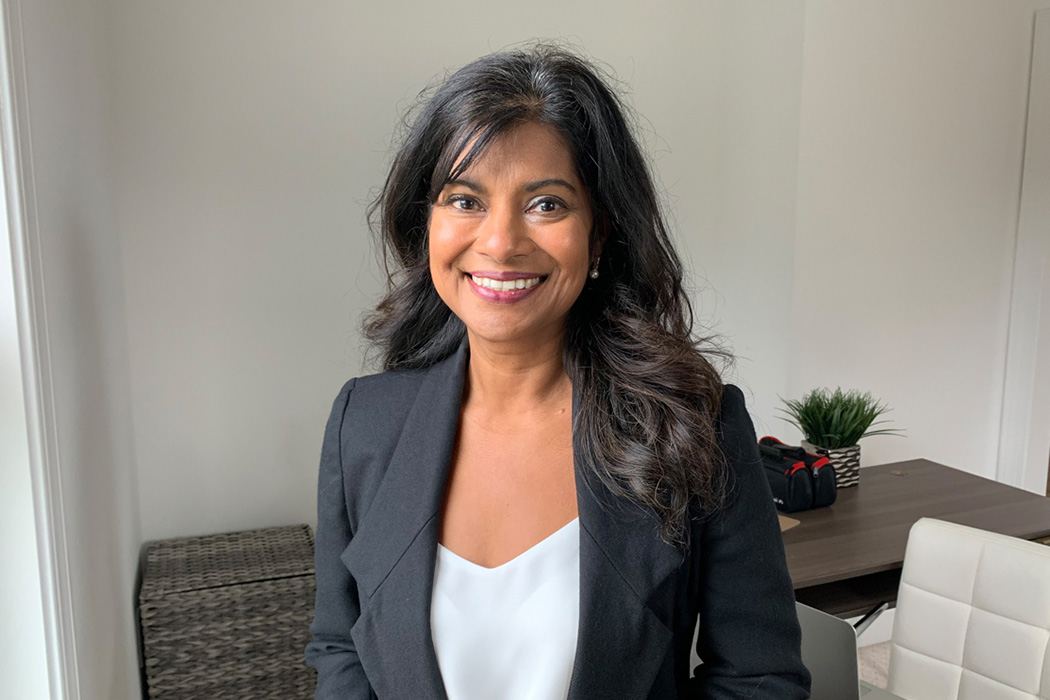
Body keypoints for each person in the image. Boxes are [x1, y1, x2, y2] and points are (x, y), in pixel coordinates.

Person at [305, 45, 810, 700]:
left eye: (546, 204)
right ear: (426, 220)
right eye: (465, 200)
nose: (499, 242)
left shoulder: (695, 428)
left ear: (600, 234)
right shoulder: (362, 425)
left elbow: (759, 680)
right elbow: (341, 645)